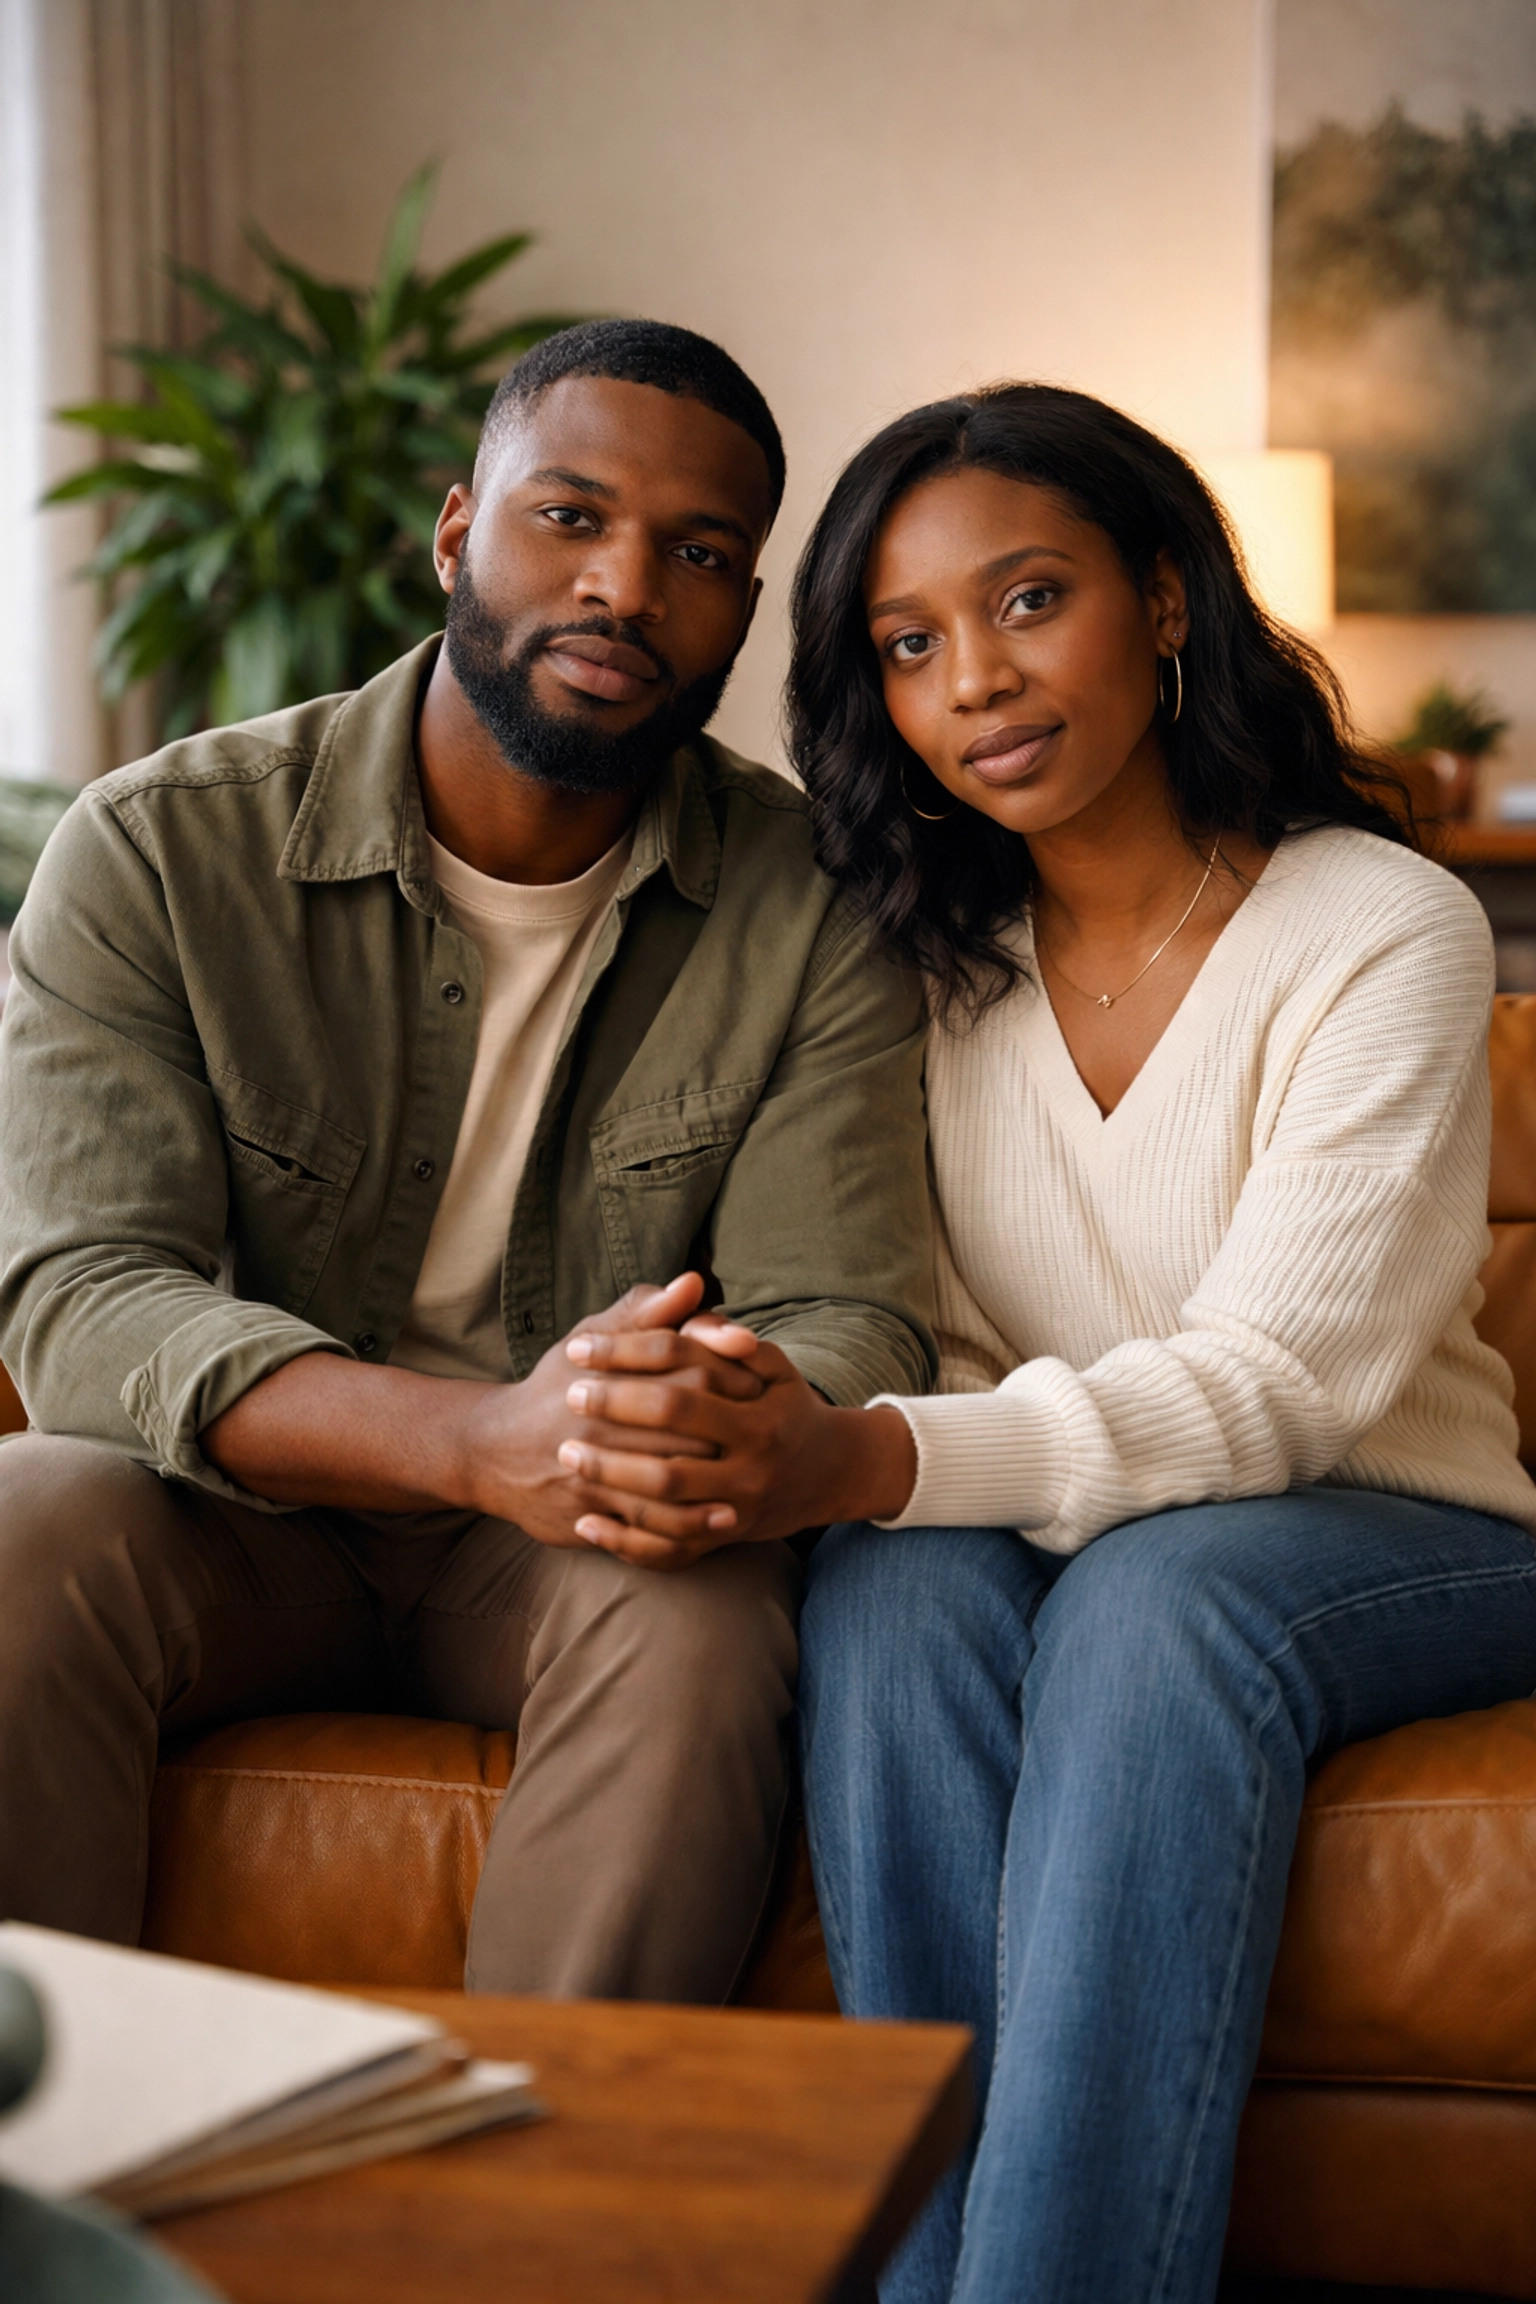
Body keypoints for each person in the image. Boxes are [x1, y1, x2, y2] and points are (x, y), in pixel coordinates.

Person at [543, 382, 1536, 2301]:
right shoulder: (916, 966)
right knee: (894, 1598)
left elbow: (1285, 1385)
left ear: (1164, 602)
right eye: (909, 648)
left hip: (1399, 1530)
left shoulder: (1379, 926)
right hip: (1105, 1527)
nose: (976, 683)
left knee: (1161, 1600)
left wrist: (878, 1456)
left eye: (1027, 602)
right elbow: (938, 1339)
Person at [0, 320, 935, 2006]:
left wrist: (653, 1425)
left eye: (698, 554)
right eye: (568, 517)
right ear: (457, 531)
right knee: (23, 1516)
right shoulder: (160, 846)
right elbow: (80, 1302)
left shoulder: (817, 903)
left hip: (570, 1549)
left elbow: (850, 1322)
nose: (624, 589)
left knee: (704, 1615)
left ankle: (533, 2227)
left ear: (745, 607)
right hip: (239, 1524)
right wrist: (480, 1439)